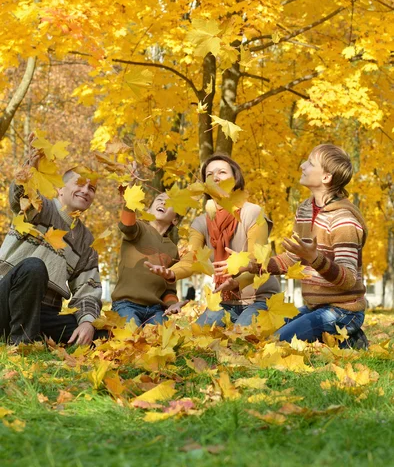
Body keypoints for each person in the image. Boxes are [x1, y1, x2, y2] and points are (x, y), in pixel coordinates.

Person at [147, 153, 280, 326]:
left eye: (222, 172)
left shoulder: (253, 213)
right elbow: (192, 258)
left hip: (260, 299)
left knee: (240, 339)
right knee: (193, 339)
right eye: (209, 175)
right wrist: (172, 272)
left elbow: (258, 258)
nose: (215, 177)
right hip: (224, 302)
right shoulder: (201, 223)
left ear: (235, 178)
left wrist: (236, 280)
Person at [260, 143, 367, 347]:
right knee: (266, 335)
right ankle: (333, 339)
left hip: (344, 310)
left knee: (278, 344)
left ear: (326, 177)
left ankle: (350, 340)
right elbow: (292, 259)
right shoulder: (305, 210)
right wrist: (257, 266)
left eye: (310, 163)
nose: (302, 166)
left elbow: (349, 279)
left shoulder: (344, 220)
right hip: (314, 307)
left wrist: (314, 259)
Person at [0, 136, 102, 346]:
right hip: (5, 299)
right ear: (60, 189)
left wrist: (88, 323)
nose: (85, 190)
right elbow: (19, 196)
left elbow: (88, 288)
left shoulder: (86, 241)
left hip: (42, 313)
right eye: (80, 184)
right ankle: (21, 343)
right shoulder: (41, 206)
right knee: (34, 267)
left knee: (97, 335)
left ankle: (29, 333)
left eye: (91, 189)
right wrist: (29, 170)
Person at [111, 191, 186, 326]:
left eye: (169, 203)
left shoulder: (173, 249)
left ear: (175, 219)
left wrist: (173, 304)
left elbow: (169, 289)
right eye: (160, 199)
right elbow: (126, 225)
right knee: (131, 336)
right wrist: (131, 198)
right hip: (126, 304)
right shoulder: (139, 228)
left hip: (155, 309)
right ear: (148, 210)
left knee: (163, 340)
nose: (163, 202)